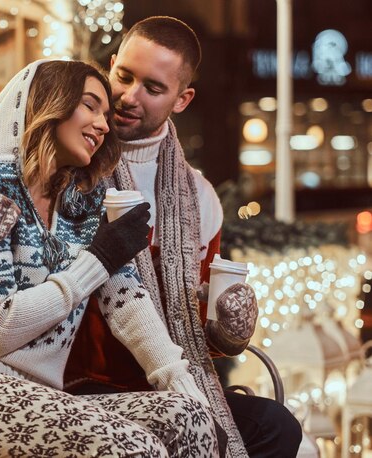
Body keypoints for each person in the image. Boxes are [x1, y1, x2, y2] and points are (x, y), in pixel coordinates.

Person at [0, 60, 219, 457]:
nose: (104, 125)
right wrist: (96, 261)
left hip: (39, 398)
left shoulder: (82, 207)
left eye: (105, 113)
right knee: (137, 449)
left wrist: (187, 389)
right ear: (49, 104)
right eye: (90, 106)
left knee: (189, 419)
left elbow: (129, 305)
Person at [63, 17, 303, 458]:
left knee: (277, 426)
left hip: (176, 384)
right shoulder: (73, 162)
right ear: (110, 65)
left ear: (182, 99)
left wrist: (225, 331)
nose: (129, 97)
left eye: (153, 88)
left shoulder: (200, 197)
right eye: (124, 76)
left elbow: (194, 324)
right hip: (80, 386)